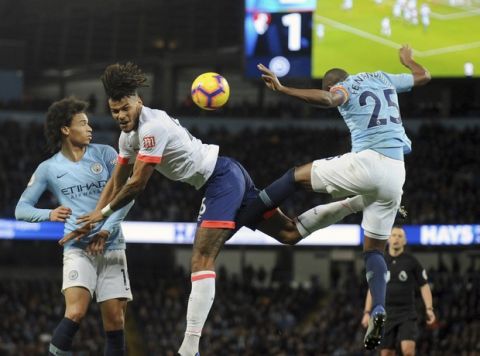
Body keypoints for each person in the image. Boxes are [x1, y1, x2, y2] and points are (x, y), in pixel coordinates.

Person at [58, 63, 301, 356]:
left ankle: (189, 349)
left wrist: (103, 214)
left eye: (125, 108)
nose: (120, 116)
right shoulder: (127, 138)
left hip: (220, 179)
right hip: (224, 176)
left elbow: (136, 184)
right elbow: (117, 180)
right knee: (288, 233)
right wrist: (94, 219)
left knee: (201, 258)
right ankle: (349, 201)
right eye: (114, 111)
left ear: (139, 102)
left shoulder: (152, 128)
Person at [235, 44, 431, 350]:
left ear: (333, 83)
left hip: (367, 162)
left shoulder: (345, 87)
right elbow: (424, 77)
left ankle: (249, 211)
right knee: (374, 252)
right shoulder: (382, 78)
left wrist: (284, 88)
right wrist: (409, 62)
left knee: (296, 176)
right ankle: (379, 307)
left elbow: (329, 98)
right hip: (396, 173)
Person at [15, 97, 133, 356]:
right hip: (78, 248)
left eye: (89, 123)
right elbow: (21, 209)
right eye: (83, 123)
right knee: (76, 312)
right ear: (66, 130)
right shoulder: (48, 169)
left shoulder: (105, 154)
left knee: (115, 321)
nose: (90, 128)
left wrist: (105, 229)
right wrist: (50, 213)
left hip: (112, 245)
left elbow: (126, 195)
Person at [361, 226, 436, 355]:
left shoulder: (411, 261)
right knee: (386, 353)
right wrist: (367, 312)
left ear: (405, 241)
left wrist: (429, 308)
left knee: (408, 350)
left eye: (400, 236)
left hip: (406, 312)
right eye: (394, 235)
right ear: (388, 239)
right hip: (386, 314)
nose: (396, 238)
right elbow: (372, 289)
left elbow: (424, 285)